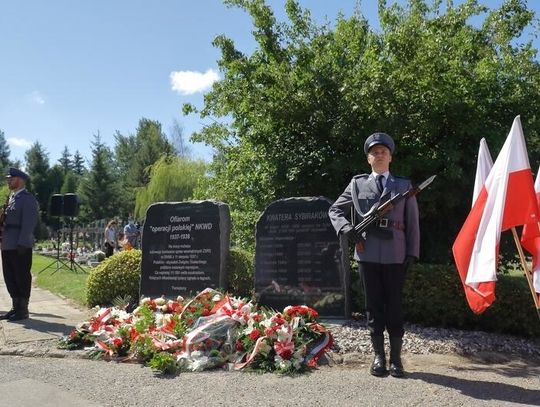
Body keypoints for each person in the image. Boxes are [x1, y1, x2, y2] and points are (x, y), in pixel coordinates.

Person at [329, 132, 420, 378]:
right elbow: (335, 209)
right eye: (374, 152)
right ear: (368, 159)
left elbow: (412, 222)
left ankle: (397, 360)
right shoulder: (357, 184)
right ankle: (379, 356)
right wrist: (347, 229)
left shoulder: (402, 186)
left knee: (395, 306)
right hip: (367, 252)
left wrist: (412, 252)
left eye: (383, 152)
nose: (379, 155)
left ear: (390, 157)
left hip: (395, 253)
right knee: (373, 307)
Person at [0, 167, 39, 321]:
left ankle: (23, 310)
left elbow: (29, 223)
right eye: (8, 178)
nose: (8, 180)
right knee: (9, 276)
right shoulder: (12, 198)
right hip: (8, 244)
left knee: (21, 276)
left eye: (12, 178)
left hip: (19, 245)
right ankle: (15, 307)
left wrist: (23, 242)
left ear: (21, 180)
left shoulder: (27, 199)